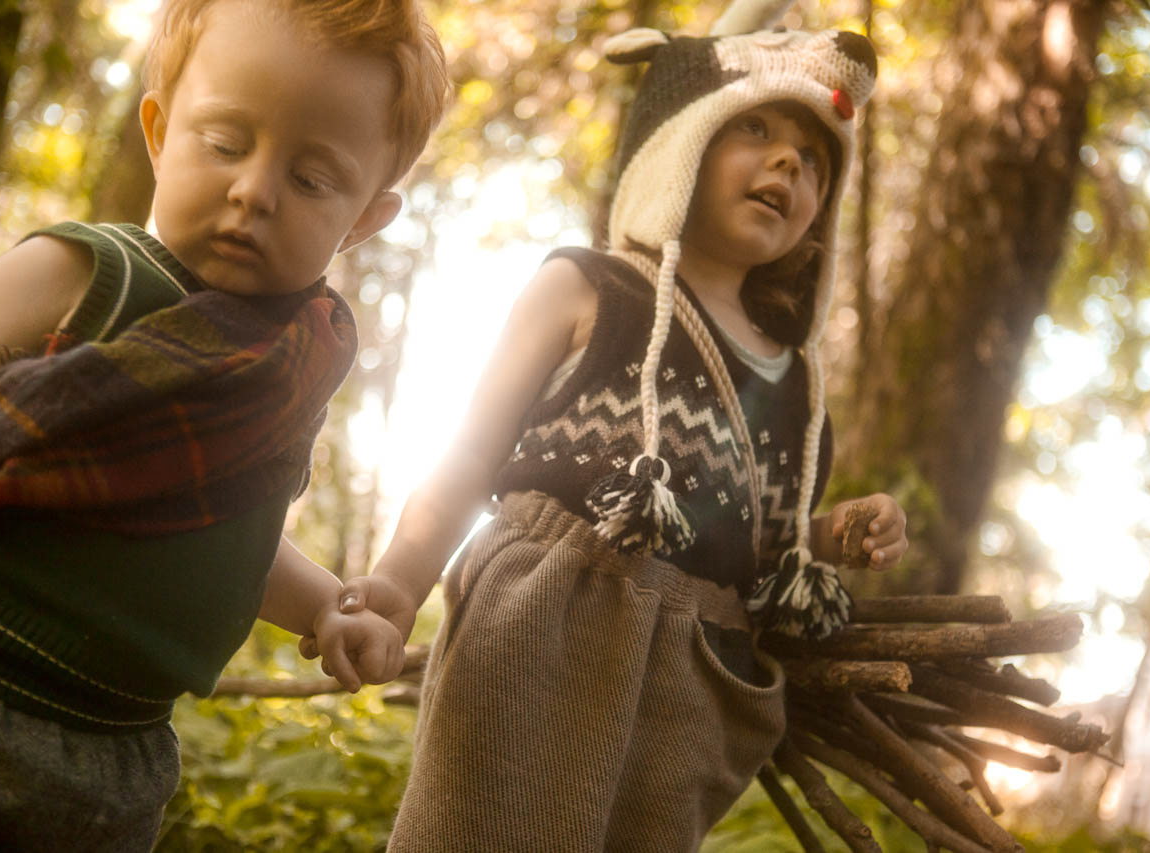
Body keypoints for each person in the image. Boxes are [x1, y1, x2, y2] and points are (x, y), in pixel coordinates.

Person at [311, 22, 906, 852]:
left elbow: (758, 546)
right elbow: (472, 453)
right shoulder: (584, 286)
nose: (788, 163)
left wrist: (832, 533)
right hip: (542, 629)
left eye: (814, 160)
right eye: (757, 127)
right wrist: (399, 583)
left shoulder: (798, 386)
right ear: (681, 140)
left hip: (693, 680)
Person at [0, 0, 446, 850]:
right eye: (223, 143)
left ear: (364, 218)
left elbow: (236, 539)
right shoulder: (88, 273)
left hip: (120, 760)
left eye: (311, 179)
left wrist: (328, 607)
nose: (254, 190)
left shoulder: (288, 364)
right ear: (158, 133)